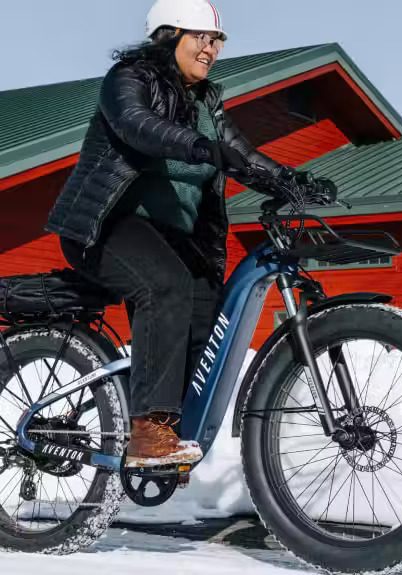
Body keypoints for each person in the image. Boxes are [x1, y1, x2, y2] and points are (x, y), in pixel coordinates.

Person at [46, 0, 335, 468]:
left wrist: (291, 181)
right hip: (105, 225)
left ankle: (172, 433)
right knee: (167, 287)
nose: (212, 49)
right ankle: (148, 431)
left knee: (205, 308)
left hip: (171, 236)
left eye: (217, 40)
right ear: (168, 35)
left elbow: (240, 154)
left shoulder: (206, 101)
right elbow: (138, 126)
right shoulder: (128, 79)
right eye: (202, 37)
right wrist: (199, 145)